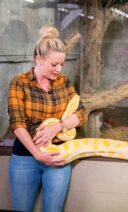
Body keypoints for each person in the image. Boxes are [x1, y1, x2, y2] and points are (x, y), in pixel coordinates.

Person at [7, 25, 87, 212]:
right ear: (38, 59)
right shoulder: (20, 83)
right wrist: (38, 154)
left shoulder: (64, 82)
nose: (59, 69)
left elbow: (81, 112)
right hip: (25, 157)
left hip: (58, 156)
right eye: (54, 64)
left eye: (62, 64)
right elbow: (18, 125)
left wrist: (57, 126)